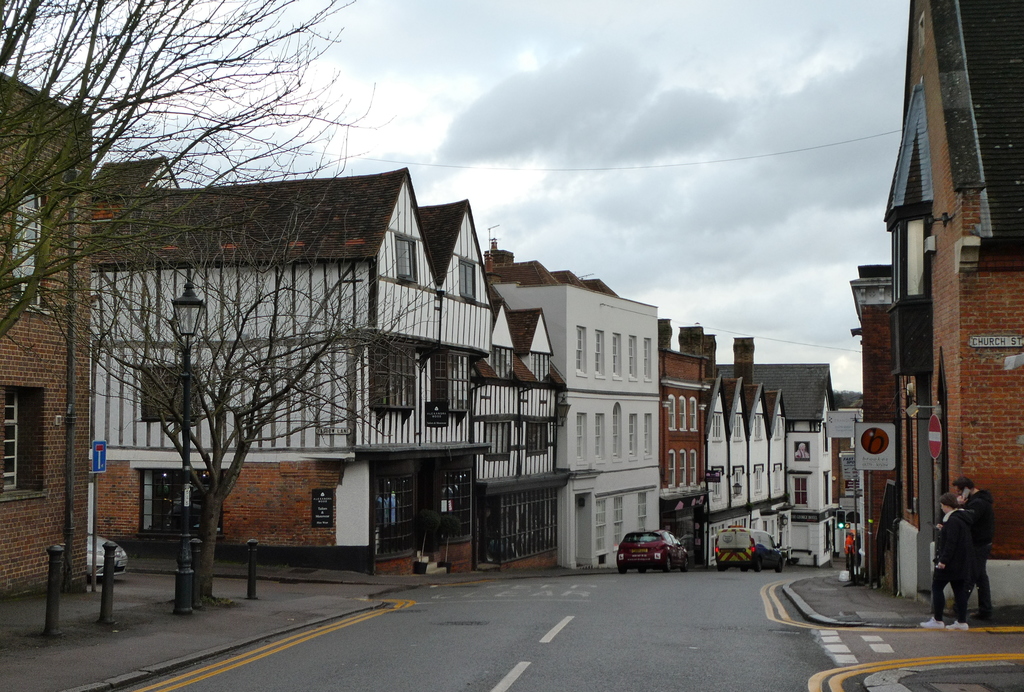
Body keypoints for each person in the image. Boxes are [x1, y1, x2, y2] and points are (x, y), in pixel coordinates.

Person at [921, 492, 974, 630]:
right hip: (962, 562)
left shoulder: (952, 521)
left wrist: (943, 561)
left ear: (946, 505)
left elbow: (951, 543)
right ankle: (962, 622)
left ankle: (938, 620)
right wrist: (944, 529)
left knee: (937, 587)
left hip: (950, 563)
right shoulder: (962, 518)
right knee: (959, 591)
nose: (941, 508)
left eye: (942, 505)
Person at [953, 476, 995, 619]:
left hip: (978, 544)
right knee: (981, 577)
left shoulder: (978, 503)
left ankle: (958, 608)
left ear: (967, 489)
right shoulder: (978, 501)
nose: (959, 495)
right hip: (981, 542)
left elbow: (968, 519)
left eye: (960, 492)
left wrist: (959, 506)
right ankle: (985, 610)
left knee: (969, 576)